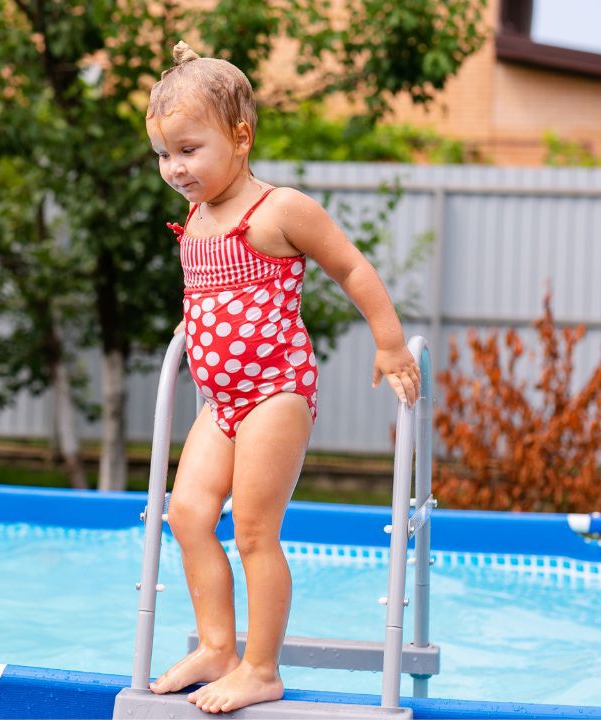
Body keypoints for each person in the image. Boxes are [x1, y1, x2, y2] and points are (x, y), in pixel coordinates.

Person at [144, 41, 421, 714]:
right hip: (220, 400)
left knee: (254, 532)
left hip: (275, 391)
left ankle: (260, 668)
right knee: (184, 514)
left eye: (188, 149)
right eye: (163, 154)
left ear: (240, 138)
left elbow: (350, 267)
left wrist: (388, 344)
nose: (174, 168)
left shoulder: (277, 209)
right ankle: (217, 646)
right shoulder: (199, 220)